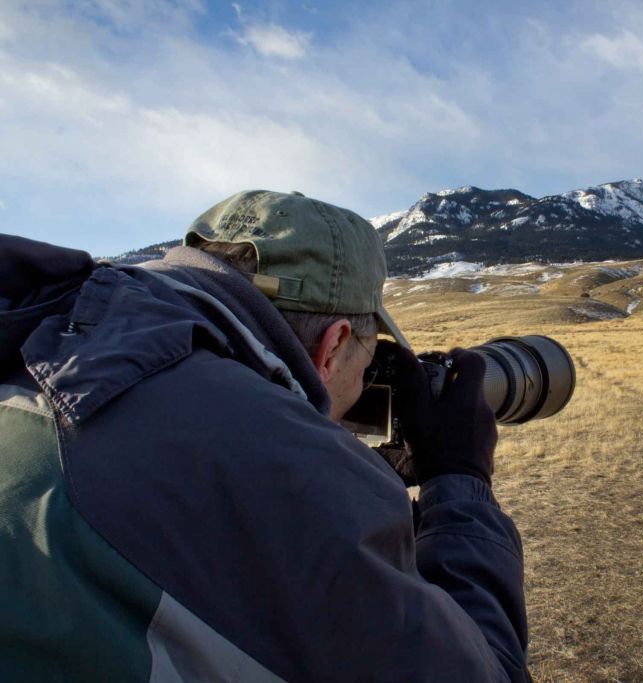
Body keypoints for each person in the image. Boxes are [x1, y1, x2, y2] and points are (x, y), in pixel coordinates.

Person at [0, 190, 528, 681]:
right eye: (367, 361)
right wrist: (460, 479)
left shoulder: (43, 324)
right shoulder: (279, 462)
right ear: (333, 343)